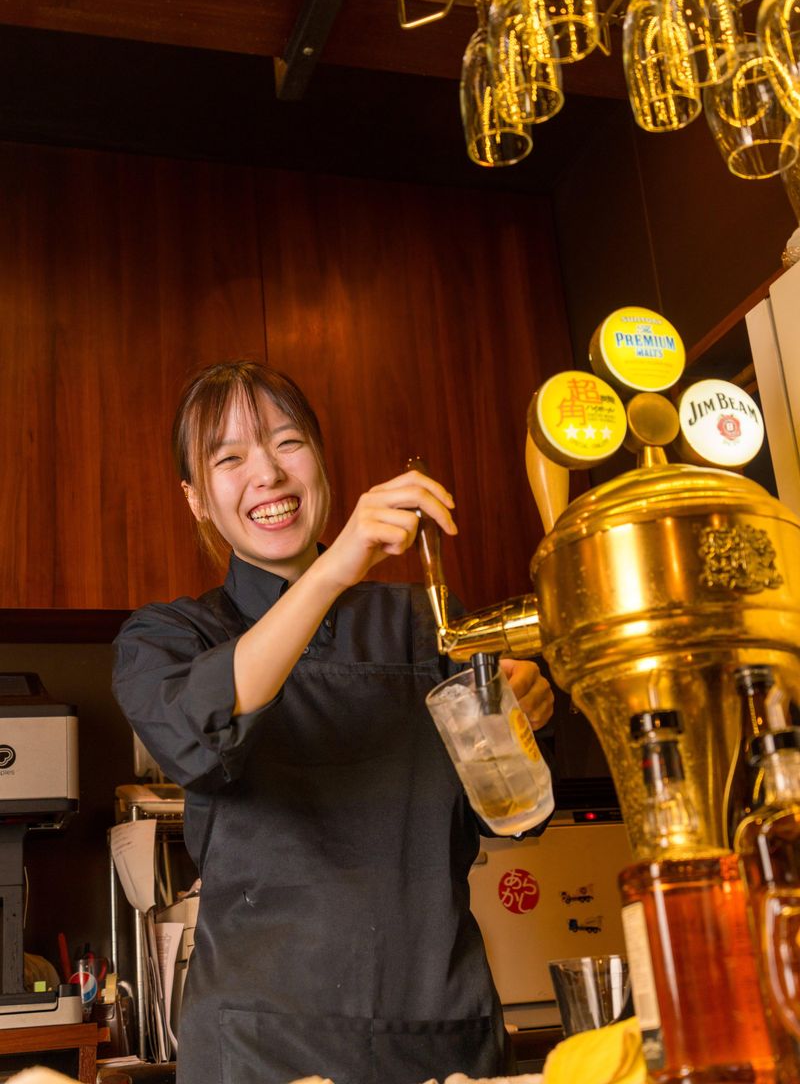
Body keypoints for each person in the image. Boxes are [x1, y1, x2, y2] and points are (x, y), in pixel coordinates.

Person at [112, 360, 554, 1084]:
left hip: (440, 1038)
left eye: (288, 443)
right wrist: (337, 566)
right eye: (230, 459)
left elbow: (513, 815)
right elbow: (198, 740)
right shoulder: (169, 637)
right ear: (196, 500)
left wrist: (523, 718)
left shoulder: (427, 624)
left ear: (319, 460)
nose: (268, 474)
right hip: (258, 1052)